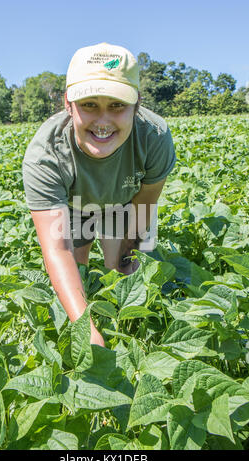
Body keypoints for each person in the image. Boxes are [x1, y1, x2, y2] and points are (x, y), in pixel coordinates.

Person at [22, 42, 176, 347]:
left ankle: (127, 328)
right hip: (75, 206)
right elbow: (58, 250)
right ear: (68, 104)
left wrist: (125, 258)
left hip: (125, 204)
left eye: (117, 105)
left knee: (126, 274)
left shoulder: (154, 137)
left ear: (137, 104)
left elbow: (144, 206)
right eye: (89, 104)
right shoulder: (46, 155)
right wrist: (86, 330)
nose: (103, 120)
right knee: (76, 278)